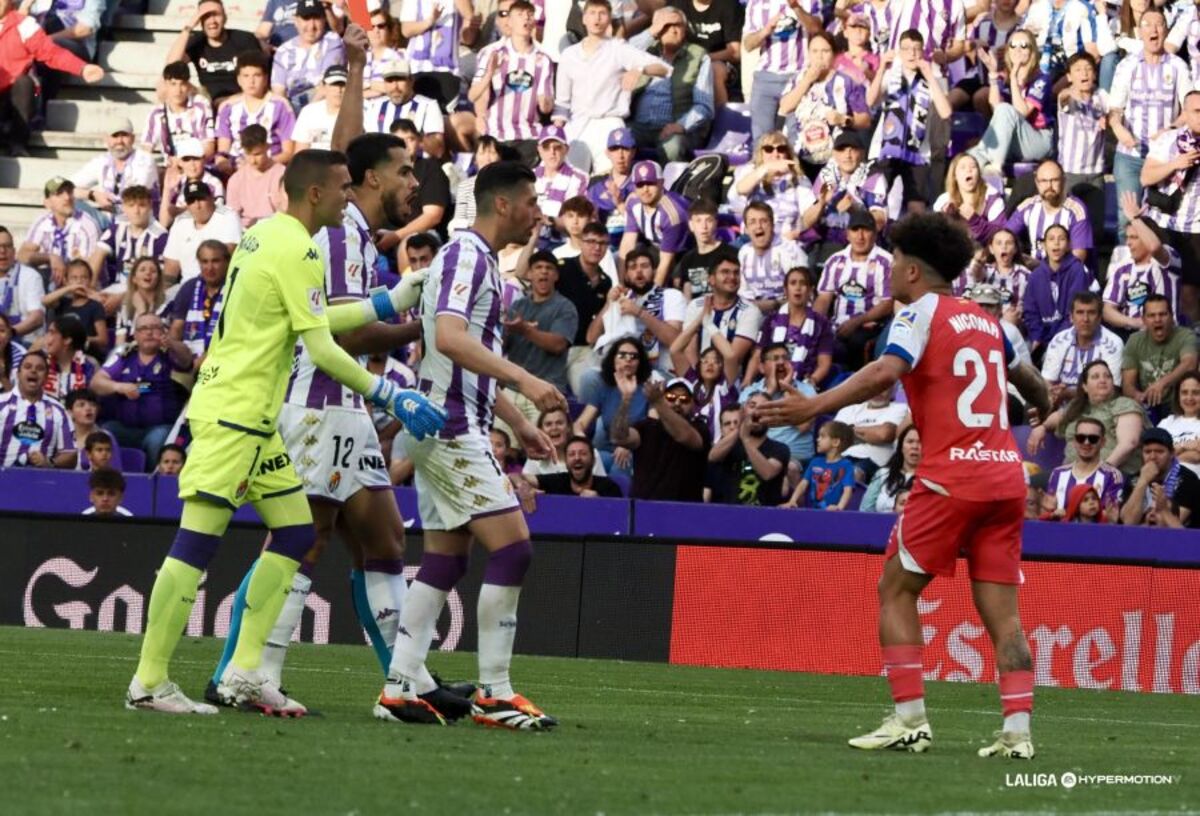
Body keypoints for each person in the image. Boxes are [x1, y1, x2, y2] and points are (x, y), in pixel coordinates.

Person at [124, 149, 446, 716]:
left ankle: (246, 672)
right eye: (344, 187)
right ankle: (149, 682)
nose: (351, 196)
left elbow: (310, 318)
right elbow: (320, 346)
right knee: (195, 546)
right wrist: (391, 393)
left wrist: (385, 301)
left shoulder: (266, 234)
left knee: (297, 535)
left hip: (254, 416)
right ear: (316, 193)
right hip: (232, 414)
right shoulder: (299, 245)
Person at [210, 46, 466, 717]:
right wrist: (428, 328)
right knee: (303, 540)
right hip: (318, 405)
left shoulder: (350, 223)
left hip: (346, 408)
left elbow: (345, 147)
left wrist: (355, 72)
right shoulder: (338, 236)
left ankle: (403, 682)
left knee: (382, 540)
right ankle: (244, 672)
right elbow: (344, 337)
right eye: (406, 171)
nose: (417, 183)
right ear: (372, 180)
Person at [755, 212, 1049, 758]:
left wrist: (816, 405)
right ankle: (1018, 734)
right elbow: (1033, 384)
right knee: (1005, 618)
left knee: (895, 588)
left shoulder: (917, 313)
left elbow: (886, 372)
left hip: (951, 478)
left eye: (893, 263)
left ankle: (909, 719)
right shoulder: (989, 323)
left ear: (913, 269)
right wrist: (1044, 408)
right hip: (1005, 479)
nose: (889, 272)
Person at [380, 160, 566, 730]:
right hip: (449, 425)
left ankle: (402, 684)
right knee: (512, 549)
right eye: (531, 201)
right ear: (503, 204)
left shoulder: (479, 261)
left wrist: (517, 421)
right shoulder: (465, 256)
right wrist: (526, 381)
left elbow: (463, 357)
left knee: (446, 556)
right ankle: (496, 691)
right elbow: (451, 338)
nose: (538, 212)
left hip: (450, 418)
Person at [553, 0, 670, 174]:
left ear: (609, 18)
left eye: (602, 13)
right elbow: (562, 103)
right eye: (592, 13)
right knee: (573, 181)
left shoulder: (618, 49)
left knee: (608, 182)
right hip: (577, 124)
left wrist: (640, 69)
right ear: (584, 18)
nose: (597, 19)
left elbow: (664, 68)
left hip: (610, 123)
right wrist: (557, 133)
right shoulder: (570, 55)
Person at [1110, 9, 1192, 241]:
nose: (1154, 30)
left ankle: (1161, 273)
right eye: (1148, 25)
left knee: (1160, 220)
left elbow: (1190, 108)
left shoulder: (1177, 66)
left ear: (1166, 30)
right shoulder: (1127, 66)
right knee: (1127, 218)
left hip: (1164, 157)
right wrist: (1118, 129)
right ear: (1139, 31)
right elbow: (1114, 110)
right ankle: (1124, 271)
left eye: (1159, 25)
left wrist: (1173, 129)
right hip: (1130, 156)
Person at [0, 0, 104, 157]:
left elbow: (51, 53)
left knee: (25, 84)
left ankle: (18, 142)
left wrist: (82, 68)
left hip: (15, 97)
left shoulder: (24, 25)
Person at [867, 30, 953, 213]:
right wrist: (881, 68)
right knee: (874, 203)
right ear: (899, 51)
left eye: (916, 49)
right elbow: (870, 100)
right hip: (885, 150)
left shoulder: (934, 80)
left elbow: (945, 112)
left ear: (923, 52)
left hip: (918, 153)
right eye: (906, 49)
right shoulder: (890, 76)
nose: (911, 54)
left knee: (917, 207)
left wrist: (930, 76)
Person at [90, 313, 192, 465]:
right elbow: (96, 383)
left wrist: (171, 343)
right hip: (125, 427)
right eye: (144, 328)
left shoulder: (171, 353)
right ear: (135, 335)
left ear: (163, 331)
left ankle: (151, 483)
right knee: (105, 433)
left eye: (155, 328)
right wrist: (119, 386)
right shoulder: (124, 355)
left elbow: (186, 360)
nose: (149, 332)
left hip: (159, 427)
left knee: (156, 440)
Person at [1029, 359, 1149, 479]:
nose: (1103, 380)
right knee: (1033, 482)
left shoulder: (1124, 404)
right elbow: (1058, 417)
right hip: (1072, 475)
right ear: (1085, 387)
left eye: (1107, 376)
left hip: (1112, 475)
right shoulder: (1077, 407)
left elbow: (1128, 444)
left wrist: (1100, 473)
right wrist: (1043, 427)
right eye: (1095, 377)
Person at [469, 0, 555, 163]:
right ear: (509, 21)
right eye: (520, 14)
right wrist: (489, 75)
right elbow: (473, 96)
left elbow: (546, 106)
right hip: (497, 137)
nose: (526, 19)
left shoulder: (543, 59)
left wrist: (545, 102)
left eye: (529, 15)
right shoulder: (490, 53)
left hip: (529, 137)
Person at [630, 6, 715, 163]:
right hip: (639, 126)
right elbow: (621, 53)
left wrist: (681, 125)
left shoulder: (698, 56)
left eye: (678, 25)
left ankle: (673, 187)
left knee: (673, 146)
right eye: (667, 25)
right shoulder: (646, 51)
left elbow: (704, 106)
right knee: (618, 140)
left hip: (677, 129)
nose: (673, 30)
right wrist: (650, 32)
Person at [777, 31, 871, 171]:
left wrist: (844, 120)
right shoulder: (796, 79)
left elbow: (865, 120)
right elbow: (784, 108)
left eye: (825, 51)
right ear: (808, 53)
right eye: (814, 51)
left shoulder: (847, 82)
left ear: (834, 55)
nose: (819, 56)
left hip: (834, 158)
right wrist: (807, 81)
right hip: (800, 156)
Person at [968, 28, 1056, 172]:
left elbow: (1021, 112)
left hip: (1038, 140)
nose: (1018, 50)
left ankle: (995, 169)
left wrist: (1014, 78)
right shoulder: (1007, 77)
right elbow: (995, 108)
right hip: (1013, 139)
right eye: (1013, 46)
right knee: (969, 159)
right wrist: (993, 73)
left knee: (1005, 109)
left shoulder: (1042, 79)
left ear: (1032, 51)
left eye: (1024, 46)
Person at [815, 210, 894, 368]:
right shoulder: (834, 261)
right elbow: (824, 298)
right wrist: (813, 324)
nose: (860, 236)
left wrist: (857, 322)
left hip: (869, 326)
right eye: (855, 230)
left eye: (865, 230)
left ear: (875, 233)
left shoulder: (885, 262)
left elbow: (887, 304)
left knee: (855, 342)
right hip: (836, 325)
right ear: (847, 234)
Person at [588, 246, 685, 374]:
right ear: (626, 275)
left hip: (659, 371)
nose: (639, 271)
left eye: (644, 266)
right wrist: (608, 303)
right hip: (621, 370)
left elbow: (674, 340)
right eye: (633, 267)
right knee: (588, 378)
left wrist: (639, 312)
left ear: (654, 271)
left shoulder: (671, 295)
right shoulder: (621, 299)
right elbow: (591, 338)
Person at [611, 377, 709, 501]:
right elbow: (618, 437)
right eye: (671, 397)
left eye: (684, 399)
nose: (677, 403)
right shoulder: (646, 426)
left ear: (693, 404)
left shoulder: (700, 428)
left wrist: (658, 402)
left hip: (685, 511)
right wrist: (625, 399)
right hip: (645, 510)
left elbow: (685, 437)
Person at [673, 254, 761, 384]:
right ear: (711, 279)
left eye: (736, 273)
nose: (732, 277)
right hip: (698, 378)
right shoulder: (696, 305)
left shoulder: (750, 310)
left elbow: (733, 357)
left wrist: (708, 323)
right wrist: (698, 381)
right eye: (725, 272)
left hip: (728, 382)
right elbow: (689, 348)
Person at [743, 0, 824, 142]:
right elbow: (748, 44)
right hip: (765, 78)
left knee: (796, 135)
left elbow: (816, 29)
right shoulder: (755, 3)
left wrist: (796, 8)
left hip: (798, 77)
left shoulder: (811, 2)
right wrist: (765, 31)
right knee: (762, 139)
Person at [575, 337, 655, 475]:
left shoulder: (648, 389)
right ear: (613, 359)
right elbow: (580, 424)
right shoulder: (604, 387)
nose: (628, 359)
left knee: (620, 467)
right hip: (608, 451)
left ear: (639, 363)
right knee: (591, 464)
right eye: (622, 355)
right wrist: (583, 443)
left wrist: (628, 445)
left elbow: (652, 432)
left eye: (634, 356)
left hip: (639, 453)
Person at [503, 250, 578, 394]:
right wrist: (505, 329)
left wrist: (525, 330)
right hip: (513, 387)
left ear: (556, 276)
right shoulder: (518, 306)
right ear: (529, 274)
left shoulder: (565, 307)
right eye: (538, 267)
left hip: (548, 388)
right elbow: (503, 346)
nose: (544, 272)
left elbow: (558, 345)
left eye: (549, 268)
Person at [1103, 197, 1181, 332]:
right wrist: (1134, 322)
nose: (1128, 243)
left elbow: (1154, 247)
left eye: (1134, 237)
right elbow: (1107, 310)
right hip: (1135, 336)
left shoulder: (1168, 257)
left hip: (1169, 334)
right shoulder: (1122, 268)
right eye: (1127, 237)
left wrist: (1135, 219)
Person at [748, 266, 833, 388]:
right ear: (785, 290)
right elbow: (757, 355)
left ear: (810, 290)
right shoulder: (771, 320)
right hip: (769, 382)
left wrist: (810, 383)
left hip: (803, 384)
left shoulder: (822, 324)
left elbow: (824, 364)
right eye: (793, 283)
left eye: (803, 283)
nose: (798, 288)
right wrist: (747, 380)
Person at [165, 0, 261, 104]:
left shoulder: (244, 40)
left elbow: (260, 79)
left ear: (225, 17)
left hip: (241, 100)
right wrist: (189, 26)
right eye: (206, 16)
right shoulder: (197, 41)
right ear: (200, 20)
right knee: (164, 85)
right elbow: (171, 66)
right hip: (208, 101)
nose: (212, 21)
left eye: (216, 15)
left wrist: (228, 101)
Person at [555, 223, 613, 395]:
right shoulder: (562, 268)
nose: (597, 248)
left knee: (589, 393)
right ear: (581, 243)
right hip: (553, 347)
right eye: (591, 242)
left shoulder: (605, 282)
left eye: (602, 243)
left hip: (582, 348)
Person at [1022, 224, 1096, 356]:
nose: (1056, 243)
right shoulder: (1035, 276)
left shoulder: (1077, 270)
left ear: (1068, 245)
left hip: (1068, 336)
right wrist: (1037, 338)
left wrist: (1056, 342)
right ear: (1043, 245)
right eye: (1051, 239)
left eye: (1061, 239)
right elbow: (1030, 312)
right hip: (1042, 339)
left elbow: (1074, 310)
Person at [1040, 291, 1125, 405]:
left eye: (1091, 313)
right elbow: (1047, 380)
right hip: (1060, 404)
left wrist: (1069, 393)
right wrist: (1053, 394)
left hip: (1098, 406)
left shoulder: (1114, 343)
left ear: (1100, 317)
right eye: (1080, 312)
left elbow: (1112, 390)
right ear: (1071, 317)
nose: (1085, 319)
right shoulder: (1059, 340)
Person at [215, 51, 297, 169]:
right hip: (236, 169)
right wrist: (226, 164)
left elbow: (288, 152)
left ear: (265, 79)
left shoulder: (280, 106)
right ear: (239, 79)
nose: (251, 81)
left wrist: (259, 164)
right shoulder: (227, 107)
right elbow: (223, 149)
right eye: (246, 76)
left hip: (270, 168)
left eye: (257, 75)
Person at [1120, 294, 1199, 415]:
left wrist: (1161, 384)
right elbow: (1127, 385)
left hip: (1180, 404)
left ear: (1172, 317)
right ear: (1144, 320)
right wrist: (1139, 396)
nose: (1157, 319)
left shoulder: (1185, 335)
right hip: (1148, 405)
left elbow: (1190, 364)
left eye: (1162, 314)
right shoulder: (1134, 340)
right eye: (1151, 315)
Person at [70, 118, 160, 222]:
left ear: (133, 138)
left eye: (124, 135)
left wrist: (108, 204)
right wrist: (92, 195)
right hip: (107, 220)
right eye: (115, 136)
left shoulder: (144, 160)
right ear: (106, 139)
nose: (119, 141)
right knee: (68, 202)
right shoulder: (101, 161)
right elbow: (67, 187)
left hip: (137, 222)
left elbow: (135, 199)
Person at [729, 132, 817, 240]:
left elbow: (807, 214)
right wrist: (767, 167)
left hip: (786, 240)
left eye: (781, 149)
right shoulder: (751, 171)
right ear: (761, 153)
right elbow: (741, 190)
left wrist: (797, 232)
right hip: (754, 239)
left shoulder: (799, 179)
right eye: (769, 149)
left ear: (787, 153)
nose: (775, 154)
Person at [618, 160, 691, 286]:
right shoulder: (632, 201)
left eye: (650, 183)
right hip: (657, 246)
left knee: (676, 283)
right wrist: (621, 284)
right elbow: (627, 243)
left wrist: (650, 298)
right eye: (640, 184)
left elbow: (666, 262)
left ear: (661, 182)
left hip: (682, 253)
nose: (645, 189)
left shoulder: (672, 214)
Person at [707, 394, 790, 506]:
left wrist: (746, 440)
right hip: (730, 516)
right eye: (752, 406)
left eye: (763, 408)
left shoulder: (780, 449)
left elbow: (767, 473)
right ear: (743, 411)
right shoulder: (731, 446)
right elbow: (713, 456)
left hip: (765, 518)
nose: (757, 412)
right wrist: (740, 428)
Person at [18, 177, 101, 287]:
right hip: (50, 283)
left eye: (69, 192)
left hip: (80, 286)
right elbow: (22, 256)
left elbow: (89, 270)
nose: (67, 197)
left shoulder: (87, 224)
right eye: (59, 194)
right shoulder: (42, 222)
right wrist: (50, 257)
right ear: (47, 203)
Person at [1004, 159, 1092, 262]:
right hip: (1034, 272)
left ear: (1063, 181)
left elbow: (1079, 256)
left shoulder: (1076, 210)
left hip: (1066, 274)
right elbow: (1004, 236)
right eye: (1044, 181)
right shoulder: (1027, 207)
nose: (1049, 186)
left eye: (1054, 180)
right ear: (1037, 183)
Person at [90, 186, 168, 300]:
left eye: (142, 205)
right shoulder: (118, 227)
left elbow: (160, 281)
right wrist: (90, 290)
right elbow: (97, 255)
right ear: (124, 208)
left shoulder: (160, 236)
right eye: (131, 206)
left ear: (150, 206)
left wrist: (121, 298)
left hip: (146, 293)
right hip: (119, 287)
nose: (136, 211)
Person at [0, 351, 76, 468]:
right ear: (18, 374)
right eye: (27, 367)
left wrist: (50, 462)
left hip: (42, 482)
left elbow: (70, 454)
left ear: (46, 377)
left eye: (40, 368)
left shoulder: (58, 410)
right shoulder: (1, 403)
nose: (33, 371)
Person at [396, 0, 477, 110]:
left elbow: (468, 39)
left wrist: (468, 16)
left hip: (449, 71)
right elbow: (406, 30)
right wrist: (430, 21)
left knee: (444, 115)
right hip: (418, 69)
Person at [161, 182, 242, 284]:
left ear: (212, 198)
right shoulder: (180, 222)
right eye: (192, 201)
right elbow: (171, 267)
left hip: (219, 284)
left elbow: (229, 255)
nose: (197, 205)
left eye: (201, 199)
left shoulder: (227, 216)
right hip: (186, 286)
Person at [271, 0, 346, 110]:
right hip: (290, 107)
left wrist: (305, 115)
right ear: (295, 21)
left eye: (316, 18)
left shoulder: (332, 41)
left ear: (324, 19)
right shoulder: (284, 50)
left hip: (322, 105)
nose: (311, 26)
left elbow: (327, 87)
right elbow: (278, 92)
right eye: (306, 19)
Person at [365, 57, 445, 157]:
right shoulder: (374, 106)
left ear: (411, 81)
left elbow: (438, 150)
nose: (395, 87)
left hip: (417, 166)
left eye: (400, 79)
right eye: (390, 80)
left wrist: (414, 139)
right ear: (384, 83)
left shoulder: (428, 106)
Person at [1120, 427, 1200, 526]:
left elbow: (1173, 525)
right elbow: (1128, 522)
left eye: (1159, 451)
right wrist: (1143, 481)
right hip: (1137, 538)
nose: (1153, 457)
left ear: (1172, 453)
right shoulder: (1134, 479)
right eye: (1148, 452)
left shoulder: (1188, 478)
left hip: (1176, 540)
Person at [1045, 415, 1125, 512]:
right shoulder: (1058, 473)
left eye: (1093, 438)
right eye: (1081, 438)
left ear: (1103, 442)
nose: (1086, 442)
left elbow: (1110, 516)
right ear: (1074, 441)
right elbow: (1048, 510)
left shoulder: (1112, 476)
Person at [737, 201, 808, 306]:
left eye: (764, 221)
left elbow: (804, 295)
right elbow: (742, 293)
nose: (759, 226)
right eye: (752, 222)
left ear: (772, 226)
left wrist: (773, 305)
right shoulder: (744, 252)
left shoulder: (791, 250)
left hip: (786, 309)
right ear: (746, 229)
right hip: (753, 310)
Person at [141, 61, 216, 162]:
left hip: (197, 164)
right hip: (171, 166)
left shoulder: (200, 106)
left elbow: (209, 147)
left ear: (189, 85)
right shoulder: (157, 113)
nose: (178, 90)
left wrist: (186, 163)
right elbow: (146, 149)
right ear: (165, 85)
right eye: (173, 84)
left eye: (182, 84)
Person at [169, 240, 228, 365]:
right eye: (204, 261)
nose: (209, 267)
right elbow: (176, 328)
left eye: (215, 261)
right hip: (188, 361)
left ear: (227, 262)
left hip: (223, 360)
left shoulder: (235, 289)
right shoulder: (189, 287)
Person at [834, 385, 911, 481]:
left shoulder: (900, 408)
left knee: (852, 475)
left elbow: (884, 434)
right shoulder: (848, 409)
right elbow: (834, 438)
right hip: (841, 457)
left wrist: (849, 432)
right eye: (875, 385)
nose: (878, 391)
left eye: (884, 387)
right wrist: (871, 435)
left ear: (893, 389)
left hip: (873, 464)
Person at [958, 229, 1030, 323]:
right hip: (985, 325)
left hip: (1015, 327)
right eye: (999, 243)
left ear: (1015, 249)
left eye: (1008, 243)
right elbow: (976, 273)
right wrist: (978, 262)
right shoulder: (986, 270)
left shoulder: (1025, 275)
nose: (1004, 247)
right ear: (991, 249)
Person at [932, 154, 1006, 245]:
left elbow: (1001, 234)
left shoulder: (992, 198)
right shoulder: (944, 200)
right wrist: (945, 218)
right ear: (955, 176)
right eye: (963, 168)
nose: (969, 170)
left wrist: (975, 220)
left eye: (973, 167)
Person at [782, 419, 856, 509]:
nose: (817, 439)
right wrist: (792, 501)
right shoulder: (815, 462)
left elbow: (847, 490)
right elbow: (803, 484)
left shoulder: (846, 465)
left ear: (835, 442)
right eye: (818, 436)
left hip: (833, 515)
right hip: (813, 513)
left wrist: (839, 507)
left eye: (822, 436)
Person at [225, 125, 288, 228]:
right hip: (246, 231)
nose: (253, 160)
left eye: (257, 154)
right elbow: (232, 216)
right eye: (248, 154)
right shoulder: (236, 179)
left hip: (275, 229)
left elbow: (287, 211)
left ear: (267, 146)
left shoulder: (282, 174)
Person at [41, 258, 107, 355]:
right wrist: (69, 288)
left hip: (84, 354)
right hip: (61, 352)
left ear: (90, 280)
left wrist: (78, 338)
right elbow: (44, 301)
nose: (79, 282)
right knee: (40, 342)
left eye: (84, 278)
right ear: (66, 281)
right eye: (74, 278)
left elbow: (103, 339)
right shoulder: (62, 303)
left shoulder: (95, 306)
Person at [671, 199, 733, 299]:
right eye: (698, 221)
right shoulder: (687, 259)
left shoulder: (730, 254)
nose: (704, 226)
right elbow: (688, 296)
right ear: (691, 225)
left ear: (715, 223)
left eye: (708, 220)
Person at [160, 138, 227, 229]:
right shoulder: (177, 183)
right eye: (186, 160)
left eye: (196, 159)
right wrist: (167, 189)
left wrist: (180, 211)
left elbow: (216, 215)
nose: (192, 165)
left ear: (203, 159)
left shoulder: (214, 183)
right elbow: (164, 223)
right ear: (180, 162)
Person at [527, 436, 623, 497]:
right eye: (571, 454)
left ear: (593, 460)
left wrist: (599, 502)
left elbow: (620, 520)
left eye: (583, 453)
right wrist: (522, 486)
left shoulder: (609, 488)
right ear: (566, 462)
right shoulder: (556, 481)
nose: (577, 458)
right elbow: (516, 477)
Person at [862, 425, 921, 513]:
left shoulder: (933, 479)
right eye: (910, 441)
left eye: (920, 442)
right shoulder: (882, 474)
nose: (915, 446)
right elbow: (865, 510)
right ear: (901, 447)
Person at [0, 225, 45, 340]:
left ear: (14, 251)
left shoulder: (30, 276)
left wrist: (9, 334)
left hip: (25, 346)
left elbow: (37, 318)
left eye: (7, 246)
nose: (2, 251)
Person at [112, 257, 168, 349]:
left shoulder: (166, 305)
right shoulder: (125, 306)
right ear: (134, 278)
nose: (148, 273)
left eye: (153, 271)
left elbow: (161, 341)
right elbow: (120, 345)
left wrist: (142, 310)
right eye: (142, 270)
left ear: (158, 278)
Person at [39, 314, 97, 401]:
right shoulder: (40, 363)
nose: (46, 338)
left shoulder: (90, 365)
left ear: (67, 340)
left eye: (52, 332)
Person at [291, 65, 348, 151]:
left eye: (342, 85)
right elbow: (300, 153)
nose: (338, 90)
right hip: (316, 162)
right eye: (333, 84)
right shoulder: (308, 113)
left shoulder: (364, 111)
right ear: (324, 86)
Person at [1158, 371, 1200, 475]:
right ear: (1178, 396)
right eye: (1184, 392)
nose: (1189, 398)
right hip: (1165, 484)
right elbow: (1156, 457)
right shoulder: (1166, 423)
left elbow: (1196, 457)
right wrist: (1185, 447)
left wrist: (1171, 456)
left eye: (1196, 393)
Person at [0, 313, 24, 392]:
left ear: (9, 334)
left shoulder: (21, 356)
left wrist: (3, 378)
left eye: (2, 330)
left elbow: (21, 399)